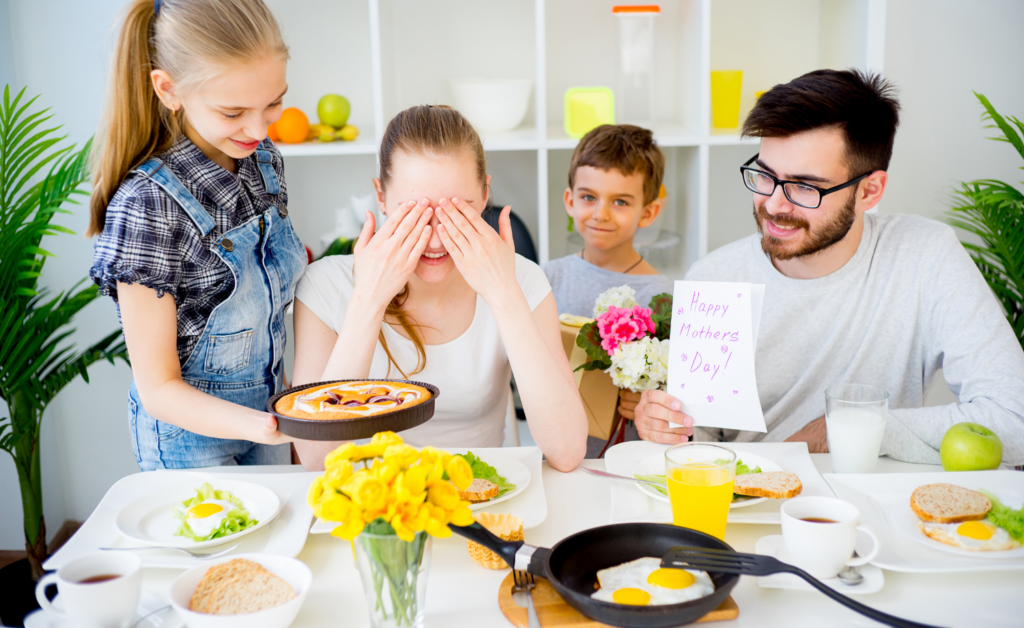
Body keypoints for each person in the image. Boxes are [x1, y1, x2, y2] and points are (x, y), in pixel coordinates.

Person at [633, 69, 1024, 466]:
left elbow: (1015, 419)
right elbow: (695, 446)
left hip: (875, 504)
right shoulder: (714, 278)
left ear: (869, 191)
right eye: (765, 176)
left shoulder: (926, 257)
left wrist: (846, 428)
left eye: (805, 187)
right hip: (744, 500)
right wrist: (666, 428)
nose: (774, 205)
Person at [291, 105, 588, 472]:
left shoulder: (522, 280)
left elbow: (568, 451)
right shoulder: (325, 285)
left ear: (484, 196)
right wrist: (369, 298)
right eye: (414, 213)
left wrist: (503, 293)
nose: (434, 239)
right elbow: (316, 459)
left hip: (482, 494)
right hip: (368, 505)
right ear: (380, 197)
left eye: (456, 212)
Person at [89, 0, 304, 470]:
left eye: (274, 102)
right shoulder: (147, 206)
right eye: (233, 112)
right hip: (190, 445)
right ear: (169, 90)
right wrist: (278, 426)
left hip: (269, 423)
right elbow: (160, 390)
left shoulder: (263, 163)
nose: (258, 128)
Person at [542, 124, 674, 458]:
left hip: (633, 465)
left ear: (648, 212)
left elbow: (677, 405)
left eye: (620, 201)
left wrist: (649, 400)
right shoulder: (545, 279)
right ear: (570, 201)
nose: (600, 214)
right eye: (588, 197)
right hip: (556, 458)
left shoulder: (665, 299)